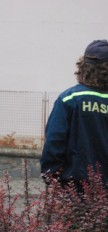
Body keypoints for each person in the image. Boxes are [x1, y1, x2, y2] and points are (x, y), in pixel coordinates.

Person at [41, 39, 108, 189]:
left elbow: (54, 141)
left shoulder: (69, 98)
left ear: (83, 67)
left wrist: (52, 178)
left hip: (75, 187)